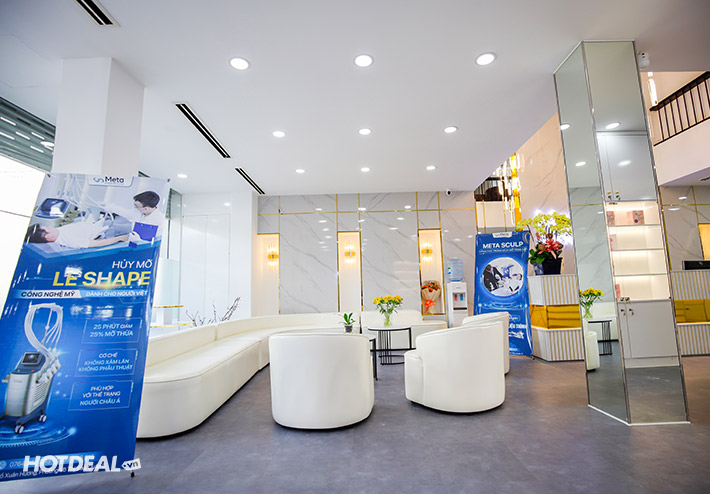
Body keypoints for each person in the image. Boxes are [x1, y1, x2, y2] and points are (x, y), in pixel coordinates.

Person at [25, 221, 127, 249]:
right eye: (48, 228)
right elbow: (97, 244)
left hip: (104, 225)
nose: (50, 227)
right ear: (48, 236)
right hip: (109, 232)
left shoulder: (59, 232)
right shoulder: (68, 240)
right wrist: (120, 238)